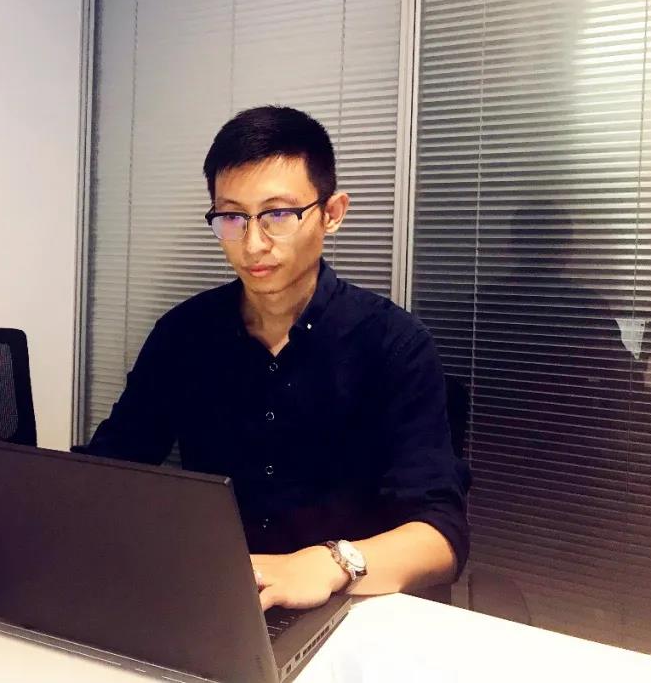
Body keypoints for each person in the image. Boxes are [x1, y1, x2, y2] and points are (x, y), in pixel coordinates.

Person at [76, 105, 470, 611]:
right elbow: (112, 469)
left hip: (351, 606)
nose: (253, 243)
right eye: (232, 217)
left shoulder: (393, 343)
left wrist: (329, 564)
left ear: (331, 213)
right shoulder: (184, 335)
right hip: (217, 600)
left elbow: (441, 536)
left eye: (278, 214)